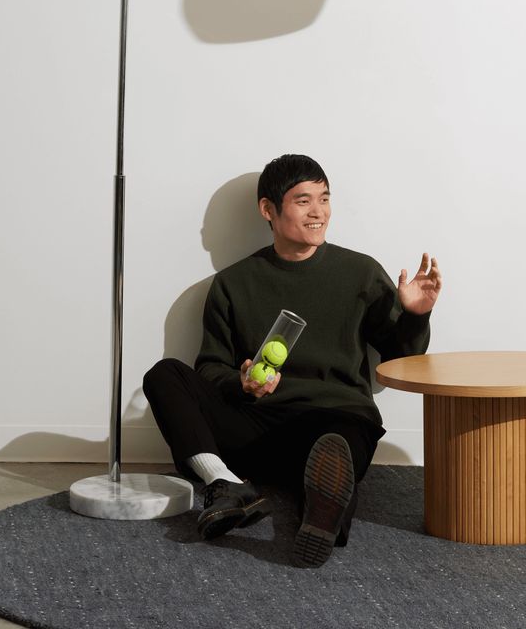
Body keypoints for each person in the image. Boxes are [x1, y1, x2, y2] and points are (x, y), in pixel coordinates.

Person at [143, 154, 442, 568]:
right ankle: (225, 484)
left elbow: (401, 360)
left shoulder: (360, 273)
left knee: (334, 448)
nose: (318, 212)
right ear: (268, 209)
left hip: (333, 420)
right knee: (164, 375)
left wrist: (415, 314)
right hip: (257, 425)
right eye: (303, 201)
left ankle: (320, 517)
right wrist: (241, 382)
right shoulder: (233, 284)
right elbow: (209, 368)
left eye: (324, 198)